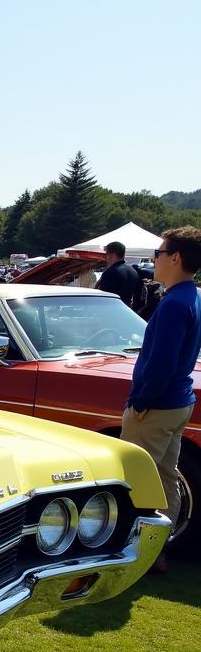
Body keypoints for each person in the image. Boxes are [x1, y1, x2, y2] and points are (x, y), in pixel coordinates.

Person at [120, 227, 201, 573]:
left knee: (135, 477)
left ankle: (135, 553)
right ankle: (159, 551)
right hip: (179, 400)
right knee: (166, 476)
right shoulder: (191, 296)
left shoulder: (173, 303)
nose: (154, 259)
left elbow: (161, 362)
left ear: (175, 258)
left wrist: (140, 401)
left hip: (157, 403)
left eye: (158, 253)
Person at [97, 240, 143, 310]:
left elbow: (103, 297)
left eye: (106, 254)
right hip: (128, 311)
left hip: (111, 311)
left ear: (111, 255)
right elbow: (137, 297)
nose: (105, 257)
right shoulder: (133, 271)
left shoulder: (110, 272)